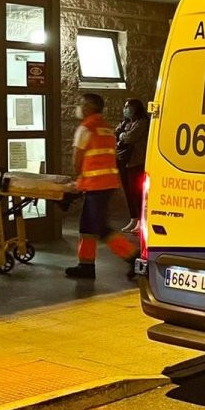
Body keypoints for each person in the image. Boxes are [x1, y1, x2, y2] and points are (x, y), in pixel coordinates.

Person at [66, 94, 136, 280]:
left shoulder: (85, 128)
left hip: (95, 185)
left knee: (99, 226)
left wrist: (79, 181)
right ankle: (86, 265)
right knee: (87, 226)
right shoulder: (105, 128)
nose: (78, 107)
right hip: (108, 183)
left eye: (81, 104)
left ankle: (133, 258)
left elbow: (77, 160)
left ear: (89, 107)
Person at [114, 98, 149, 233]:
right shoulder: (126, 122)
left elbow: (129, 137)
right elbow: (116, 133)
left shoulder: (142, 123)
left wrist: (122, 136)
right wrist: (122, 135)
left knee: (137, 192)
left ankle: (141, 220)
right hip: (124, 160)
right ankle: (133, 218)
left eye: (128, 106)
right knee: (128, 191)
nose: (125, 109)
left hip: (136, 161)